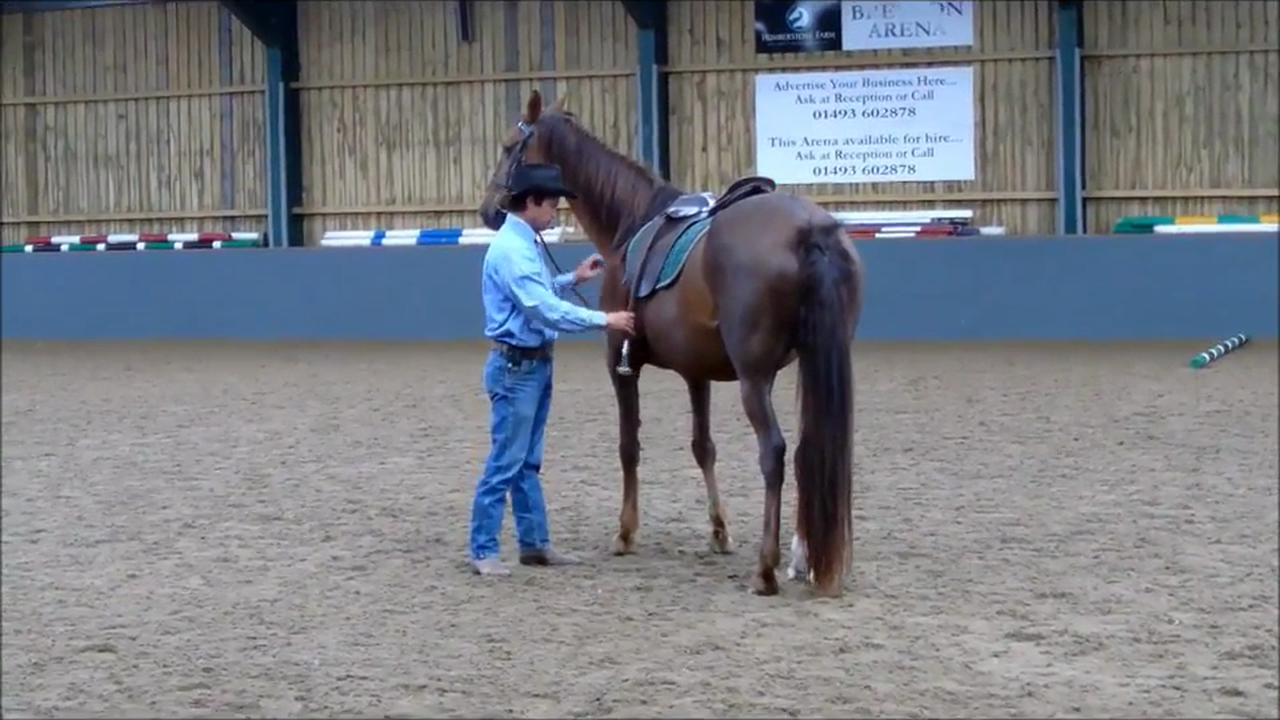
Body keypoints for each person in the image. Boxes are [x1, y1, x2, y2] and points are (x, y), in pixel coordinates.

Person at [469, 162, 635, 577]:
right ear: (532, 202)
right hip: (518, 367)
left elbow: (537, 294)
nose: (555, 213)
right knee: (507, 462)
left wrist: (571, 279)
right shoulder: (512, 250)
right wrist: (605, 320)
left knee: (525, 462)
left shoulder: (521, 243)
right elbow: (539, 308)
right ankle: (484, 548)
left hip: (529, 364)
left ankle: (534, 544)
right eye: (552, 205)